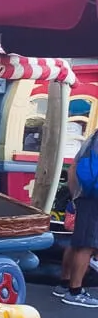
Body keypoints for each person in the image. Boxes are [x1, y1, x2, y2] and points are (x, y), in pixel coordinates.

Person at [54, 130, 98, 307]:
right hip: (93, 198)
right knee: (86, 245)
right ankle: (75, 292)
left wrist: (75, 197)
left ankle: (64, 284)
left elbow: (72, 168)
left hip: (83, 195)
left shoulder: (92, 138)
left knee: (77, 242)